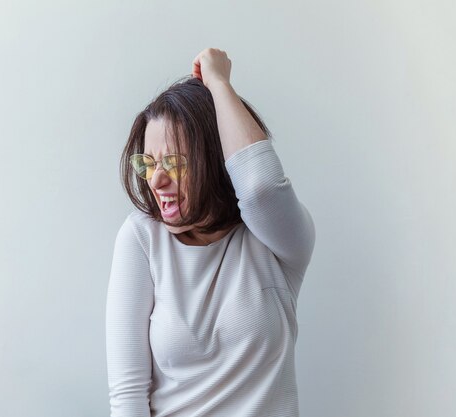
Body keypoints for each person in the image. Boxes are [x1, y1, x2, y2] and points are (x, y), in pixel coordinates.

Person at [106, 48, 316, 417]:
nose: (157, 179)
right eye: (149, 163)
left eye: (174, 162)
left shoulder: (276, 241)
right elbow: (128, 395)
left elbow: (260, 188)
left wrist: (218, 83)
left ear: (216, 160)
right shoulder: (141, 237)